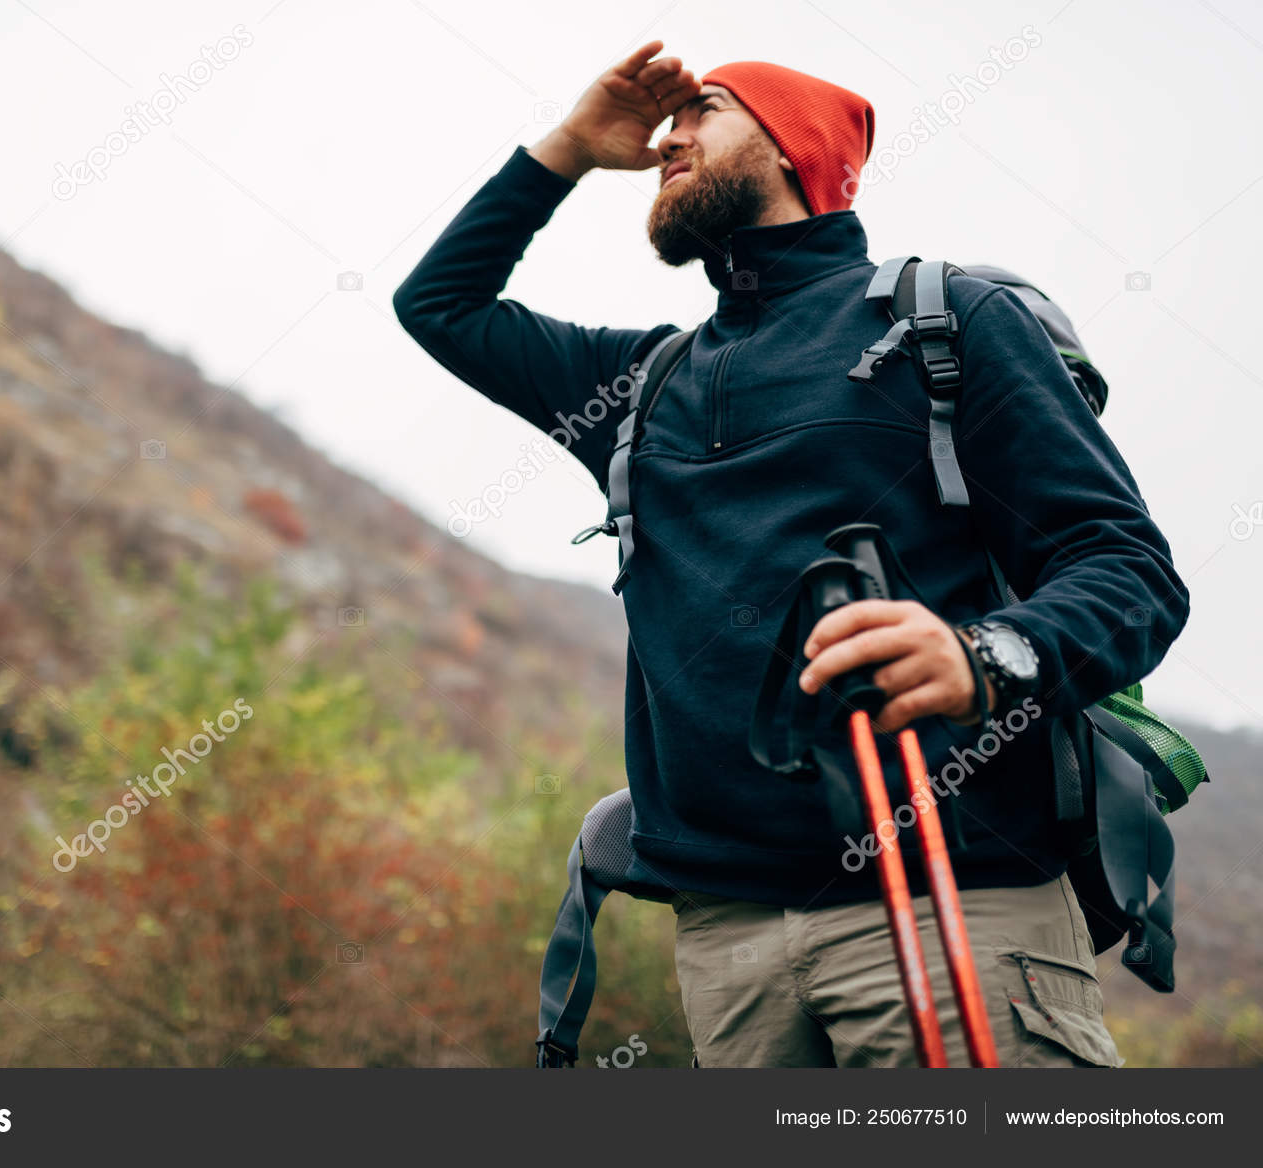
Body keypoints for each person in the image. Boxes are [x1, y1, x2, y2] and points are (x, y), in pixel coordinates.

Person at [393, 42, 1187, 1067]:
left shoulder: (942, 326)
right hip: (725, 938)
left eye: (703, 112)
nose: (669, 135)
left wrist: (987, 656)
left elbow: (1126, 566)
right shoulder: (641, 383)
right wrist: (569, 149)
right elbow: (440, 307)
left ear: (793, 147)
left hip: (958, 906)